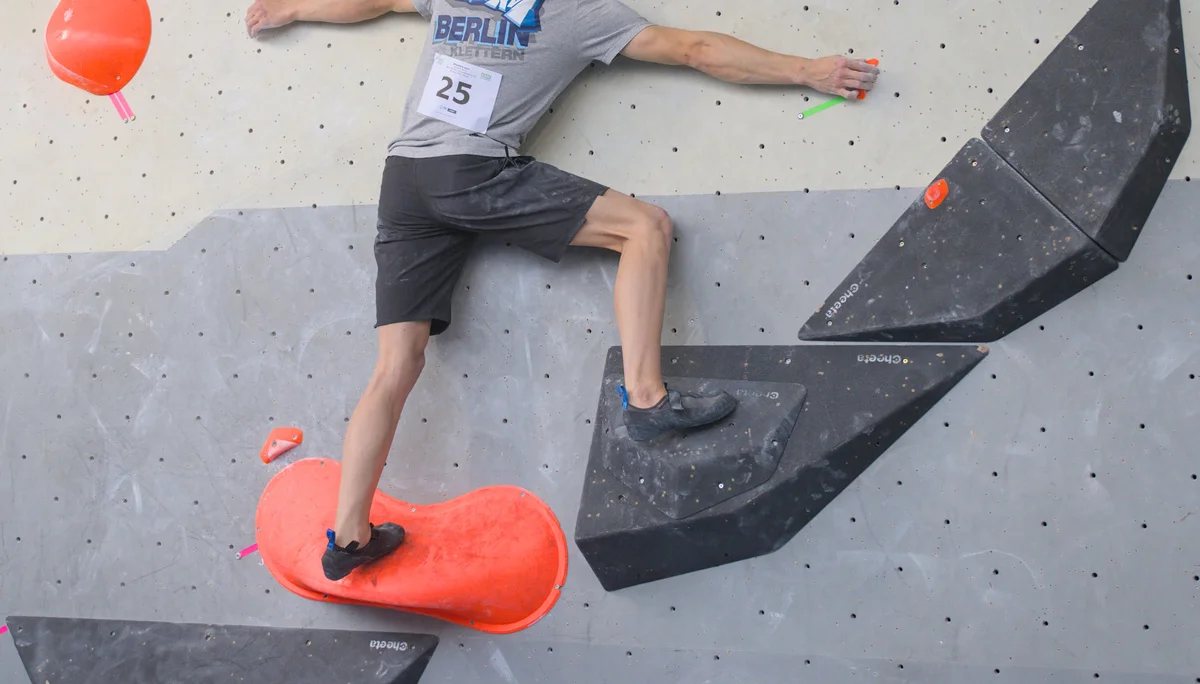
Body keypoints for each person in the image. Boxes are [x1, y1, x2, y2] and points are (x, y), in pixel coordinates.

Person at [245, 0, 880, 581]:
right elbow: (695, 49)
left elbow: (373, 1)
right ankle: (648, 398)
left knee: (394, 366)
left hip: (405, 182)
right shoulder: (575, 12)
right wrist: (809, 71)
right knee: (646, 228)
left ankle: (349, 536)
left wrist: (292, 8)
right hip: (471, 170)